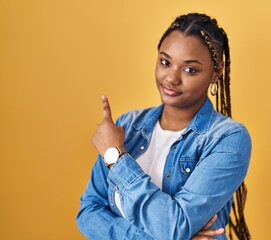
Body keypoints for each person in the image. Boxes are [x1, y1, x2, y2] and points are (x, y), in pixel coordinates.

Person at [77, 13, 252, 240]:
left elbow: (173, 227)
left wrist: (116, 157)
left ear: (215, 73)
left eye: (190, 70)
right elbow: (88, 212)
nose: (171, 78)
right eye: (165, 62)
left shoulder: (228, 139)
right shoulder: (126, 126)